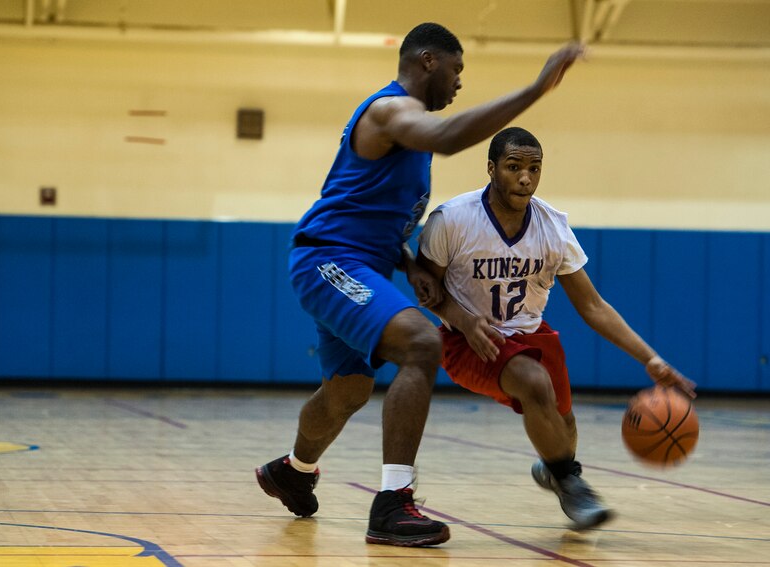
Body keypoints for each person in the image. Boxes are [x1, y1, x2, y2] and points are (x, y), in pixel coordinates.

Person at [256, 23, 585, 547]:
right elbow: (451, 137)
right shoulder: (391, 111)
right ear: (429, 61)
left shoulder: (407, 135)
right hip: (330, 260)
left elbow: (374, 214)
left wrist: (409, 263)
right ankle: (392, 503)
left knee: (348, 390)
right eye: (457, 71)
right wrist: (533, 90)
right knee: (423, 342)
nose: (458, 83)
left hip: (367, 263)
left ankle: (293, 471)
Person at [415, 126, 697, 530]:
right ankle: (571, 482)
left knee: (562, 421)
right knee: (535, 384)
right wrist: (463, 320)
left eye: (534, 168)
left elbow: (593, 305)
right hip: (469, 341)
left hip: (531, 333)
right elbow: (427, 289)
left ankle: (555, 469)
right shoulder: (452, 220)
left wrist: (649, 359)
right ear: (492, 169)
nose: (525, 177)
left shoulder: (552, 227)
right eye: (514, 167)